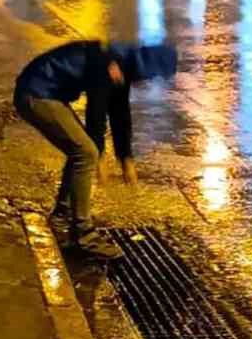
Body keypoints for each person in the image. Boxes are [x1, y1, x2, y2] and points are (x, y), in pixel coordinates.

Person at [14, 39, 178, 257]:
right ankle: (83, 235)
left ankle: (63, 215)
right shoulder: (108, 63)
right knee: (85, 152)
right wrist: (99, 157)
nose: (147, 81)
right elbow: (97, 111)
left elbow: (120, 112)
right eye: (151, 75)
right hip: (36, 94)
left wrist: (125, 158)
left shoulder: (122, 63)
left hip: (45, 93)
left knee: (80, 151)